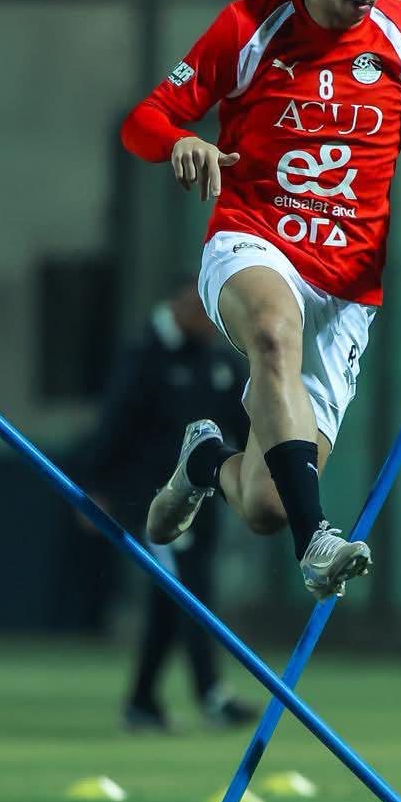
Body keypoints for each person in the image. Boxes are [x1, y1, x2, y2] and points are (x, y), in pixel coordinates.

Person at [121, 0, 401, 599]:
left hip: (346, 291)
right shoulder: (248, 27)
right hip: (252, 242)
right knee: (272, 330)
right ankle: (317, 542)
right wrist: (178, 142)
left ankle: (204, 464)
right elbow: (144, 122)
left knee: (265, 505)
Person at [74, 284, 258, 731]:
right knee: (187, 589)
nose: (211, 321)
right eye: (202, 309)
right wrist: (95, 487)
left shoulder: (218, 360)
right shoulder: (144, 356)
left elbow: (246, 422)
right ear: (178, 307)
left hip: (205, 502)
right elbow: (114, 424)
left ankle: (142, 701)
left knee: (170, 598)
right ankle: (210, 693)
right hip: (155, 504)